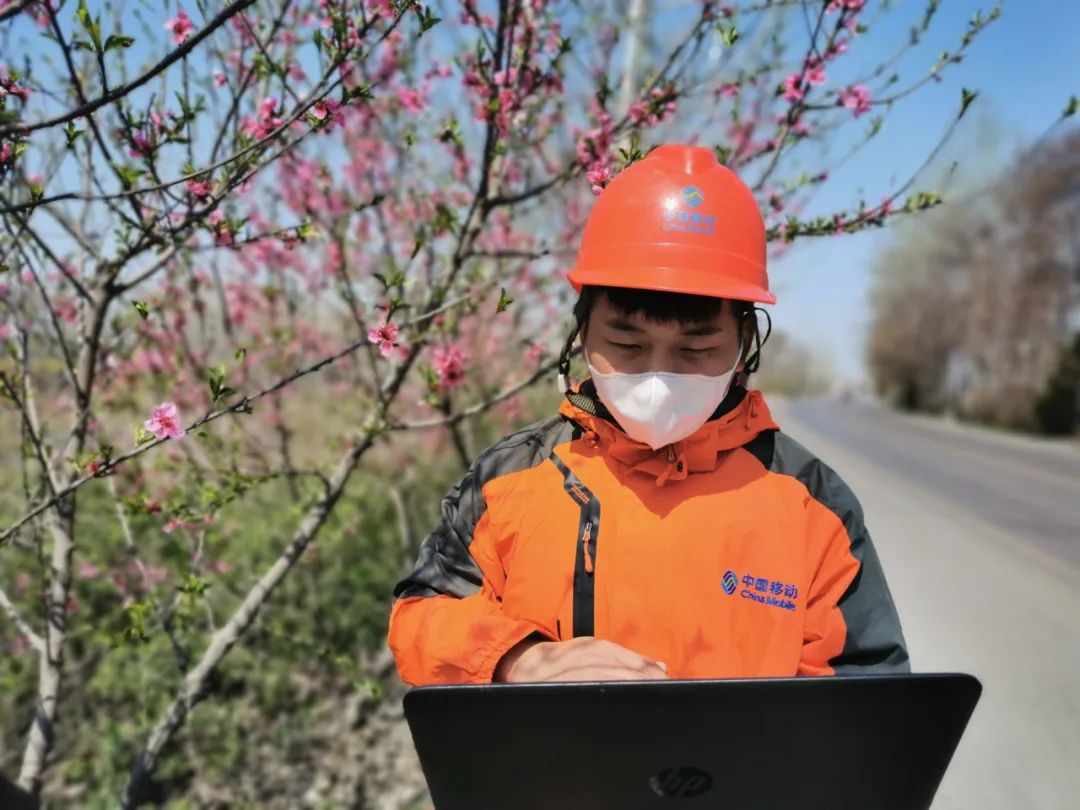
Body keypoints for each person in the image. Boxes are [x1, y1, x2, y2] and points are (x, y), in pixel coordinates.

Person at [388, 144, 909, 685]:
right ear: (582, 330)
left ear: (745, 343)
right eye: (627, 344)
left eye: (695, 351)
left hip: (747, 774)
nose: (658, 380)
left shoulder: (810, 504)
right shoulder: (512, 479)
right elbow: (420, 618)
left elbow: (867, 695)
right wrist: (514, 658)